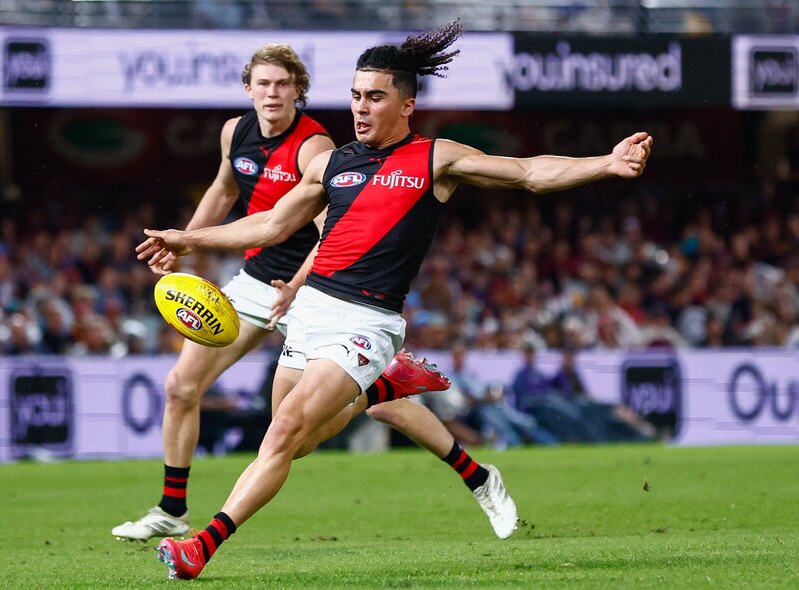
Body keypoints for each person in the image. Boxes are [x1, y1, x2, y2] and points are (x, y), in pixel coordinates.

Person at [136, 21, 652, 580]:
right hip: (310, 311)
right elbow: (271, 222)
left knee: (284, 432)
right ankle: (382, 385)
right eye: (355, 95)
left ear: (407, 104)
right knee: (294, 442)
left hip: (367, 320)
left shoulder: (435, 159)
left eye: (375, 97)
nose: (360, 107)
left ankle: (201, 546)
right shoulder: (330, 163)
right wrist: (188, 238)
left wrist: (604, 162)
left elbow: (527, 172)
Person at [114, 43, 507, 545]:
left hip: (314, 284)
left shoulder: (316, 150)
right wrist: (184, 243)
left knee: (313, 426)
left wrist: (297, 286)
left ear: (299, 91)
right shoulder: (235, 133)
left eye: (283, 84)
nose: (272, 93)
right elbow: (224, 192)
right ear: (247, 89)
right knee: (181, 387)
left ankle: (463, 462)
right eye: (263, 83)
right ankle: (172, 509)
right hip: (259, 281)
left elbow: (335, 232)